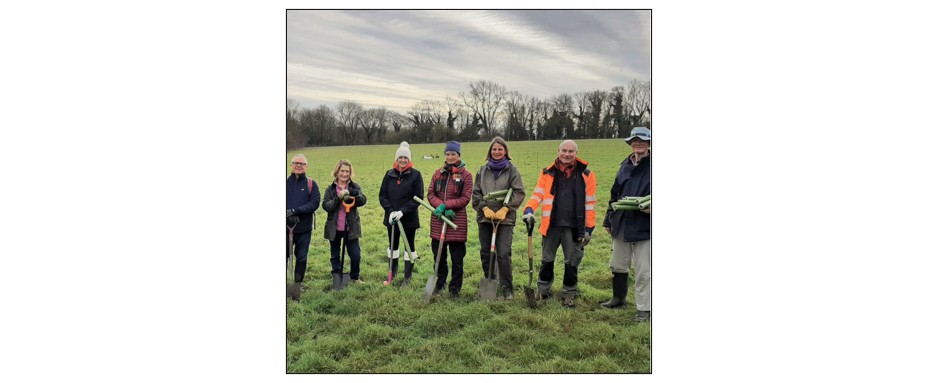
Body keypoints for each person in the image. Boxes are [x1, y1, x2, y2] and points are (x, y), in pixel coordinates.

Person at [522, 140, 598, 308]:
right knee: (547, 260)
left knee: (571, 262)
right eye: (564, 150)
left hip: (574, 227)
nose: (567, 154)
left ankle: (569, 293)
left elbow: (590, 203)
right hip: (551, 225)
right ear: (558, 151)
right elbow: (538, 194)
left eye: (571, 151)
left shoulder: (586, 174)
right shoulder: (548, 172)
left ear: (576, 153)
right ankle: (543, 291)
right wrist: (529, 209)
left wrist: (589, 227)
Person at [602, 127, 652, 321]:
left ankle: (644, 308)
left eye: (642, 140)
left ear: (649, 143)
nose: (637, 143)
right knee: (618, 264)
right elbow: (614, 194)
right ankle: (618, 298)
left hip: (645, 226)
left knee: (644, 270)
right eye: (634, 140)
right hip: (622, 222)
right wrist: (608, 218)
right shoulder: (625, 165)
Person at [471, 137, 526, 299]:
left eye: (500, 149)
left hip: (505, 219)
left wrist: (505, 209)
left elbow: (519, 192)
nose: (497, 152)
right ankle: (490, 284)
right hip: (485, 218)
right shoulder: (482, 170)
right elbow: (476, 194)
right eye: (494, 149)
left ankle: (507, 288)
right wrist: (484, 207)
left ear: (505, 152)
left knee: (503, 253)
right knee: (486, 253)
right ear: (490, 151)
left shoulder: (512, 170)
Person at [427, 141, 473, 299]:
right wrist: (440, 207)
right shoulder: (437, 173)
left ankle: (455, 289)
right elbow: (430, 194)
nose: (450, 157)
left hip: (456, 224)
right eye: (447, 154)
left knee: (457, 259)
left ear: (459, 155)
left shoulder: (466, 175)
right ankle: (439, 284)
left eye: (453, 154)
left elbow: (466, 198)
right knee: (438, 257)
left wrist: (446, 205)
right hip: (438, 221)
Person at [379, 142, 424, 286]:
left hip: (408, 218)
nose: (403, 160)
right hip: (392, 218)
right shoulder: (389, 174)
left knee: (409, 246)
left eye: (405, 157)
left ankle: (407, 277)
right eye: (400, 157)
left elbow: (419, 197)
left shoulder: (416, 175)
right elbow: (382, 195)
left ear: (409, 159)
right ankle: (393, 272)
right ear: (396, 159)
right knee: (393, 245)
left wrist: (402, 211)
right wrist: (390, 211)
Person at [322, 160, 367, 284]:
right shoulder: (330, 189)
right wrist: (338, 198)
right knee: (335, 254)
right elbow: (326, 206)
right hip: (334, 227)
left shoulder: (354, 186)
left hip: (350, 227)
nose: (344, 174)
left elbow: (363, 200)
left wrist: (353, 193)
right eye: (342, 171)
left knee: (355, 255)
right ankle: (336, 275)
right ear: (337, 172)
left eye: (347, 171)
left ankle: (355, 277)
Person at [286, 154, 321, 288]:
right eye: (296, 163)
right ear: (291, 165)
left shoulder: (311, 184)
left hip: (304, 228)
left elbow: (314, 203)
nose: (298, 165)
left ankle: (297, 284)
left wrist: (296, 211)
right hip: (285, 228)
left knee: (301, 258)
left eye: (302, 164)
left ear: (306, 167)